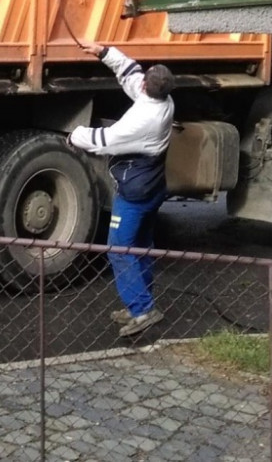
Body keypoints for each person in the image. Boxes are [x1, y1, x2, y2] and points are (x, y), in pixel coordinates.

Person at [68, 41, 175, 337]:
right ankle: (140, 301)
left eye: (144, 80)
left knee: (118, 248)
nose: (140, 81)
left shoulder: (143, 119)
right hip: (153, 187)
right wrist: (104, 51)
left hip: (135, 194)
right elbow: (130, 72)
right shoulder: (163, 101)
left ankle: (142, 310)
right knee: (140, 246)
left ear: (147, 87)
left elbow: (104, 141)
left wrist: (73, 135)